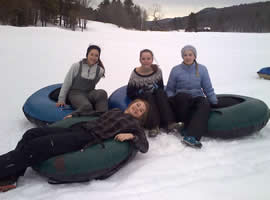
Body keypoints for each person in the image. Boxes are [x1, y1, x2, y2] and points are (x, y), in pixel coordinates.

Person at [0, 99, 149, 192]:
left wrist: (131, 136)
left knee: (36, 146)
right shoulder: (115, 111)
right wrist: (75, 115)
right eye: (137, 105)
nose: (137, 109)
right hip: (77, 128)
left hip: (85, 138)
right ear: (131, 104)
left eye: (141, 111)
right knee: (31, 134)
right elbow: (94, 113)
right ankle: (12, 175)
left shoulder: (134, 125)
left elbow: (144, 146)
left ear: (141, 116)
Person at [166, 45, 218, 148]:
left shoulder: (202, 69)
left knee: (204, 103)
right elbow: (170, 89)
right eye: (185, 55)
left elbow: (208, 88)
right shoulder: (176, 70)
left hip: (197, 97)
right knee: (183, 97)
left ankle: (191, 136)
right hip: (181, 98)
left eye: (190, 54)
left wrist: (214, 101)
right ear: (182, 56)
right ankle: (184, 126)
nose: (188, 57)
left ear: (194, 56)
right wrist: (171, 99)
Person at [127, 49, 178, 137]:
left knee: (160, 92)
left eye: (148, 58)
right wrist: (141, 91)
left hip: (154, 94)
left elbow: (161, 87)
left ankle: (169, 123)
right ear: (140, 60)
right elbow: (130, 92)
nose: (146, 61)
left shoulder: (157, 71)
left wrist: (155, 88)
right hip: (143, 97)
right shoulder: (135, 73)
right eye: (143, 59)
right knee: (148, 95)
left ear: (152, 59)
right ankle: (154, 126)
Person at [56, 45, 108, 119]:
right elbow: (67, 82)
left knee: (102, 93)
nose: (93, 57)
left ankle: (103, 116)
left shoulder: (100, 70)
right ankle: (72, 117)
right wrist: (61, 99)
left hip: (89, 93)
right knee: (87, 106)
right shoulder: (76, 66)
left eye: (96, 55)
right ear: (87, 55)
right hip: (75, 94)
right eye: (91, 54)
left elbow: (94, 83)